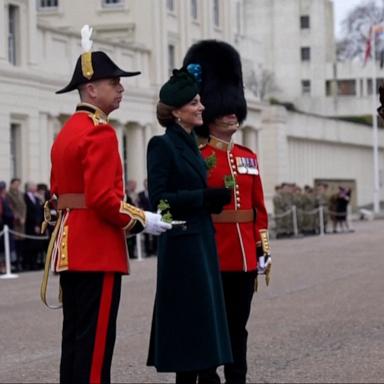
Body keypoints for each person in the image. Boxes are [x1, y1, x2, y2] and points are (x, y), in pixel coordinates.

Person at [42, 25, 171, 384]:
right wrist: (142, 218)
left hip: (72, 247)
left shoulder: (67, 132)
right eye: (114, 83)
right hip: (96, 248)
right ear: (91, 88)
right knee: (96, 348)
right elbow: (102, 199)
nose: (121, 88)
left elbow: (59, 193)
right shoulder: (99, 131)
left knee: (76, 343)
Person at [183, 40, 271, 384]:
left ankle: (237, 378)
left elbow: (258, 209)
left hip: (245, 258)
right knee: (209, 326)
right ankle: (208, 378)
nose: (233, 113)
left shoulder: (248, 156)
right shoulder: (198, 155)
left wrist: (262, 249)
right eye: (225, 107)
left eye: (235, 106)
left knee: (238, 327)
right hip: (213, 255)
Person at [146, 65, 233, 383]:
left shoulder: (191, 145)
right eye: (195, 103)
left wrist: (212, 199)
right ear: (178, 111)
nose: (202, 107)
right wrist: (202, 197)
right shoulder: (162, 145)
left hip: (201, 243)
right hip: (182, 249)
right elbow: (158, 201)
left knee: (203, 331)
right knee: (190, 336)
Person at [6, 178, 26, 271]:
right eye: (16, 184)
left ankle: (20, 262)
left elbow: (24, 207)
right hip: (15, 222)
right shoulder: (8, 194)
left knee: (21, 243)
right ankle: (15, 263)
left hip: (22, 222)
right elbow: (11, 207)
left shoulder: (20, 194)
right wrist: (18, 217)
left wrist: (23, 217)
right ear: (11, 184)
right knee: (15, 243)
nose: (17, 186)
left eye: (19, 184)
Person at [137, 178, 157, 257]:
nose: (147, 185)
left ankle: (155, 250)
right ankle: (147, 252)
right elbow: (139, 204)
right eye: (145, 183)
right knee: (146, 234)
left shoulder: (153, 192)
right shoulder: (140, 194)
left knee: (155, 234)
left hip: (154, 214)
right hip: (144, 215)